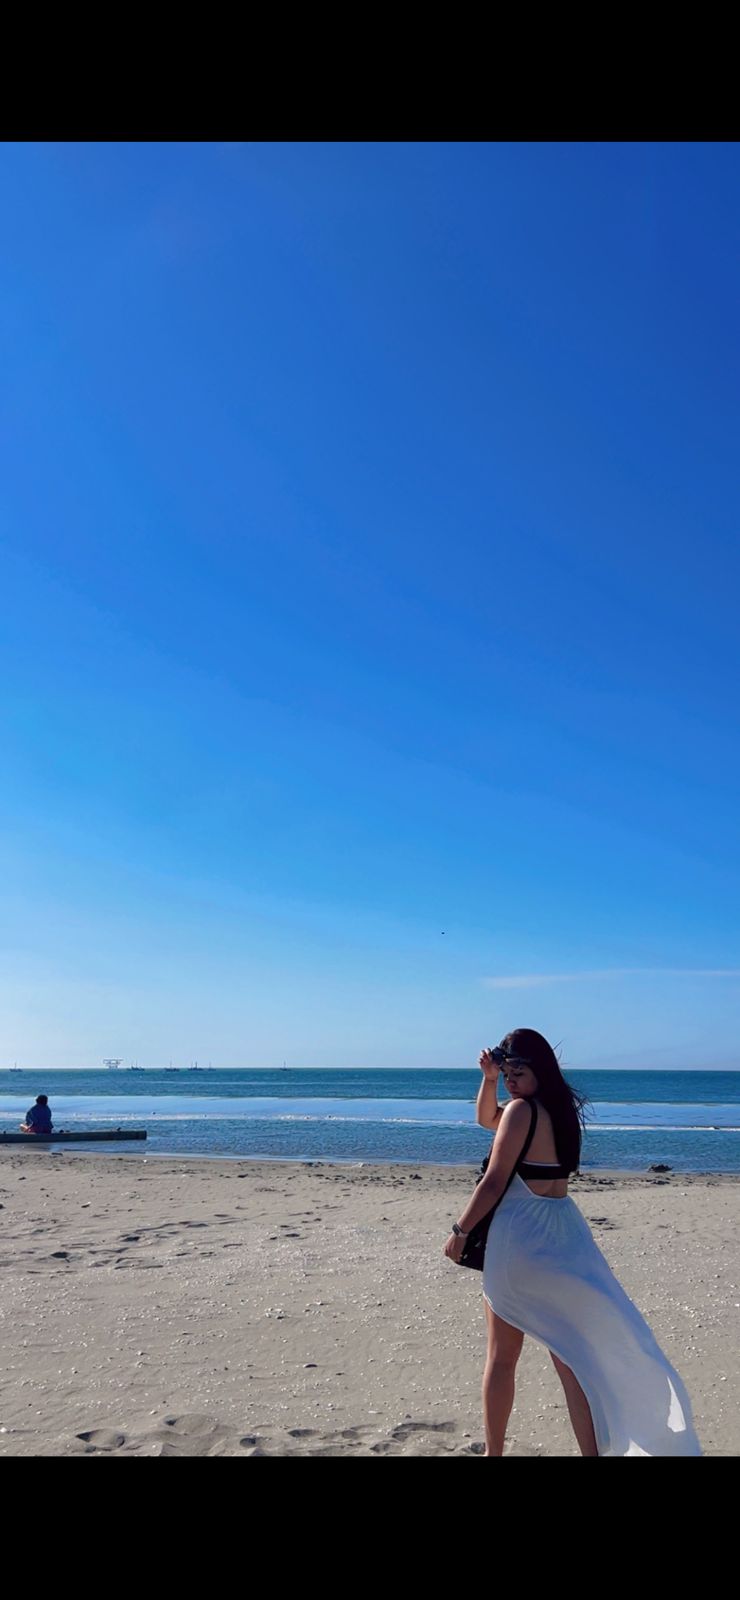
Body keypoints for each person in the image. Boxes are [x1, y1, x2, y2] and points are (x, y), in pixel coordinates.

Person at [443, 1029, 701, 1457]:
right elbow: (488, 1119)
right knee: (572, 1362)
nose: (511, 1081)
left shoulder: (521, 1111)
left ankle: (494, 1454)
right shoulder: (561, 1112)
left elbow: (494, 1181)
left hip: (519, 1243)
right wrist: (489, 1080)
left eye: (518, 1073)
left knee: (502, 1358)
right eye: (507, 1074)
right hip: (565, 1239)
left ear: (539, 1071)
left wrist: (460, 1231)